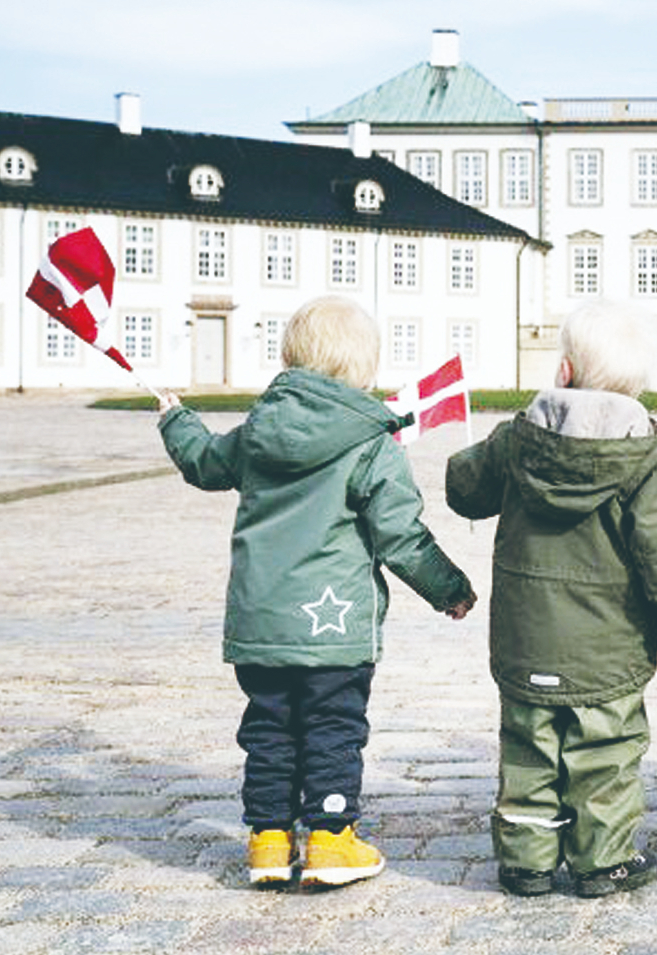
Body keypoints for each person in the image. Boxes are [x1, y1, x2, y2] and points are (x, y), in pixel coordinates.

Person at [157, 295, 477, 891]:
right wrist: (449, 588)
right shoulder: (372, 442)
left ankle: (269, 842)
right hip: (334, 627)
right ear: (364, 368)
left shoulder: (258, 430)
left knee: (269, 727)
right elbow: (400, 535)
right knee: (333, 725)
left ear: (290, 358)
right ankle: (331, 840)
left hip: (262, 623)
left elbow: (204, 463)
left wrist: (178, 420)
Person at [445, 300, 657, 899]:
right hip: (608, 643)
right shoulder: (649, 458)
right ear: (639, 384)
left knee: (529, 748)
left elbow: (465, 490)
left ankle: (528, 862)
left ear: (563, 372)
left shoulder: (518, 438)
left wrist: (479, 455)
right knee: (606, 753)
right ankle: (601, 859)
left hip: (526, 636)